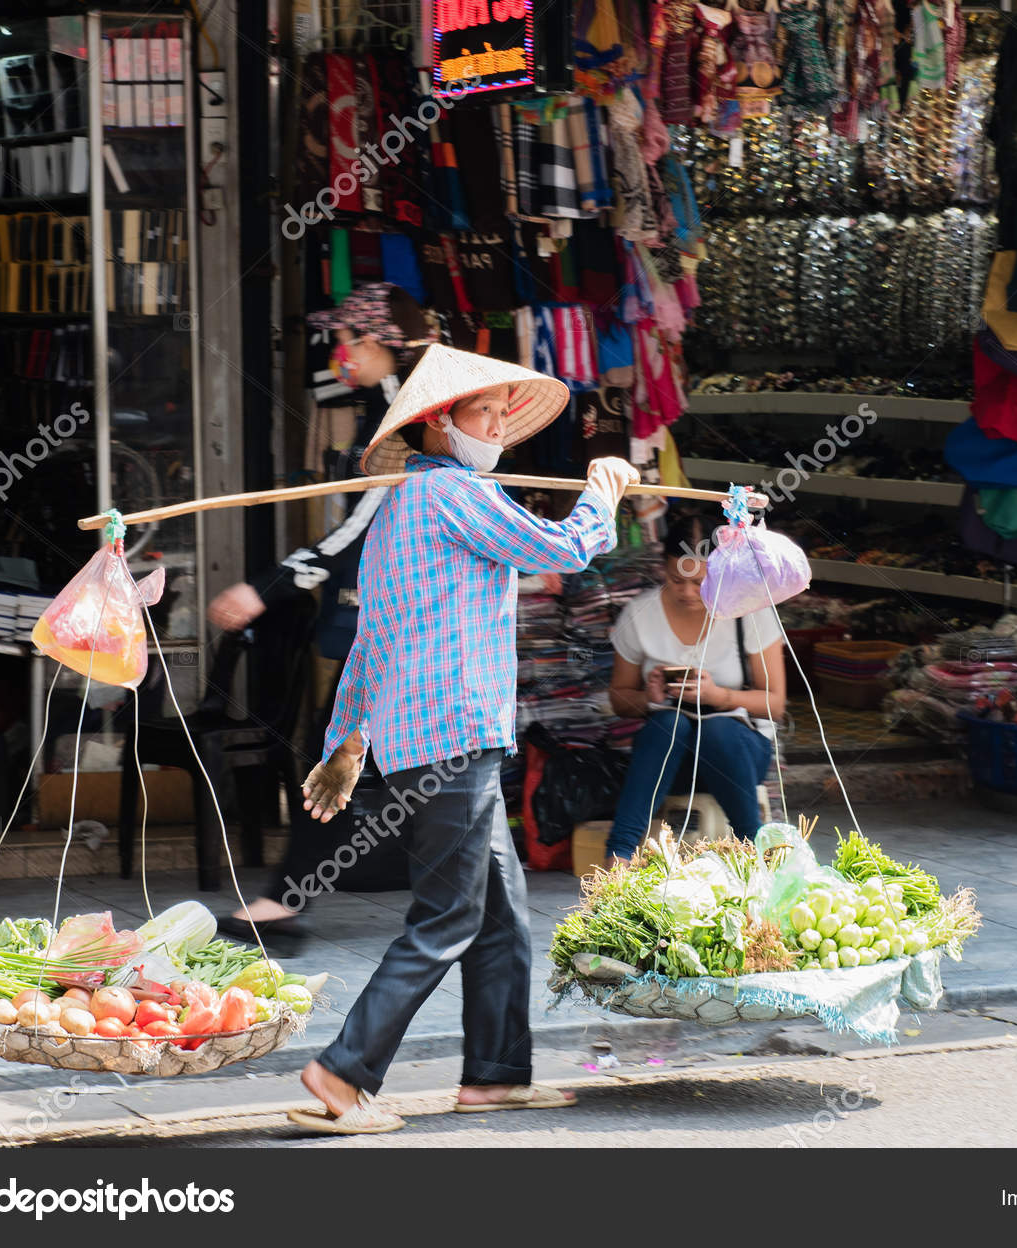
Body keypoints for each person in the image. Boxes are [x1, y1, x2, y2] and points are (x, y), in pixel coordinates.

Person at [288, 343, 640, 1133]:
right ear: (441, 424)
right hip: (453, 736)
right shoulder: (452, 492)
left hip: (432, 738)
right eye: (483, 412)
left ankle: (495, 1076)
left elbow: (373, 641)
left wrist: (348, 745)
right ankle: (344, 1073)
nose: (497, 427)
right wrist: (602, 493)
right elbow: (560, 551)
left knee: (502, 914)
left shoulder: (400, 511)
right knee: (448, 915)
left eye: (500, 414)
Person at [210, 285, 434, 950]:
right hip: (408, 618)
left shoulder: (402, 417)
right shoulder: (392, 405)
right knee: (365, 754)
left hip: (406, 620)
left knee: (339, 753)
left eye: (348, 340)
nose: (339, 353)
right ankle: (291, 899)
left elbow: (354, 533)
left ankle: (283, 904)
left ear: (379, 345)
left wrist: (266, 588)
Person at [604, 509, 787, 863]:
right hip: (669, 761)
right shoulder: (640, 615)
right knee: (668, 724)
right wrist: (650, 697)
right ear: (663, 568)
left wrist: (720, 697)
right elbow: (619, 700)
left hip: (737, 755)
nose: (688, 593)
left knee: (718, 728)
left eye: (700, 582)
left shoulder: (749, 612)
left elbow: (776, 705)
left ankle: (755, 848)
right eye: (676, 580)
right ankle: (619, 855)